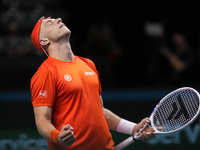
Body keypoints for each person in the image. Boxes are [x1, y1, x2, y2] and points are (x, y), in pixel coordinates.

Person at [30, 16, 156, 150]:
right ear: (44, 41)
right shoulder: (46, 72)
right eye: (50, 24)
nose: (59, 20)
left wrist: (133, 128)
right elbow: (42, 121)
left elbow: (100, 111)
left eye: (56, 19)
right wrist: (58, 137)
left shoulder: (88, 64)